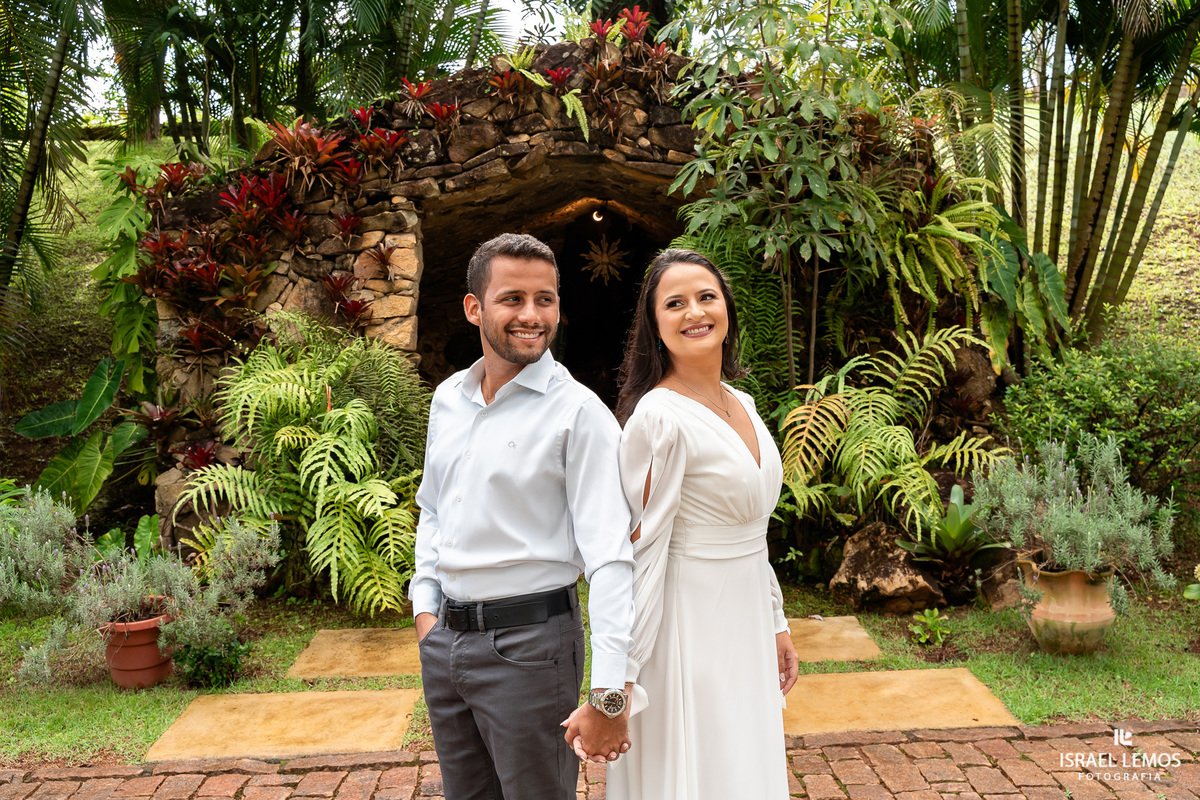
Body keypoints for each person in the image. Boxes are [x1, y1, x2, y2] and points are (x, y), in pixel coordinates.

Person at [410, 233, 636, 800]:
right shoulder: (448, 400)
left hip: (532, 650)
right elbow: (433, 510)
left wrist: (610, 698)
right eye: (512, 298)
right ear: (474, 308)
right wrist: (425, 610)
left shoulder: (579, 414)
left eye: (546, 299)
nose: (532, 315)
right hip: (446, 645)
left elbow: (611, 559)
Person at [595, 248, 800, 798]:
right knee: (700, 770)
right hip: (686, 629)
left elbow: (752, 535)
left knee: (743, 765)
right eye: (675, 303)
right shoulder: (658, 417)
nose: (695, 312)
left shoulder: (744, 402)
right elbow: (642, 552)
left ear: (726, 309)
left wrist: (775, 623)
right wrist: (619, 684)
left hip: (747, 621)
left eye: (706, 296)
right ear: (655, 325)